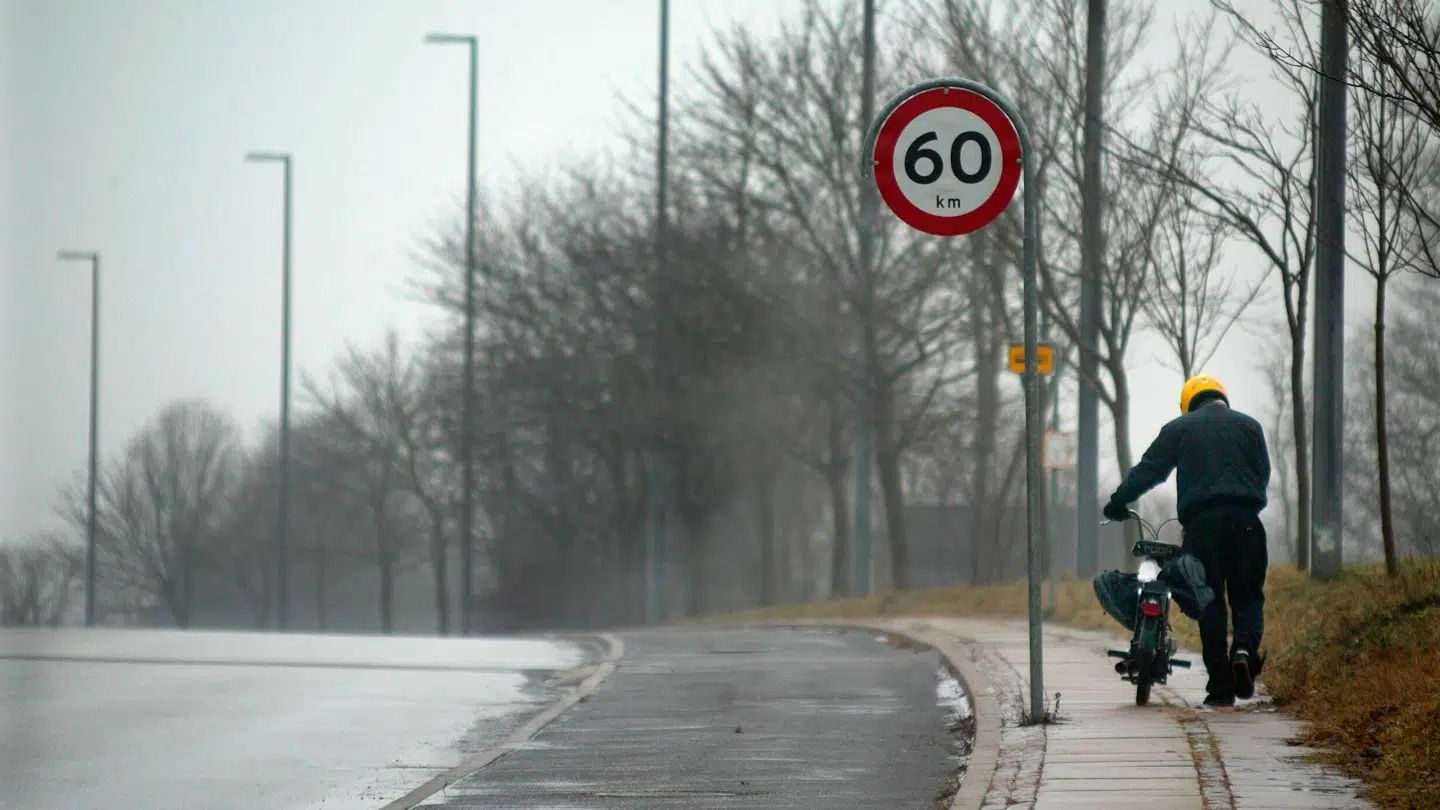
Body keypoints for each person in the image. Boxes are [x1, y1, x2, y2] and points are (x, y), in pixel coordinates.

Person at [1102, 375, 1271, 707]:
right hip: (1248, 523)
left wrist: (1118, 502)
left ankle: (1220, 688)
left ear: (1189, 403)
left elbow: (1148, 471)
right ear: (1222, 398)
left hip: (1203, 526)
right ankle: (1243, 651)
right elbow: (1261, 474)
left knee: (1209, 601)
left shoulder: (1180, 428)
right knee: (1248, 597)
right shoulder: (1250, 427)